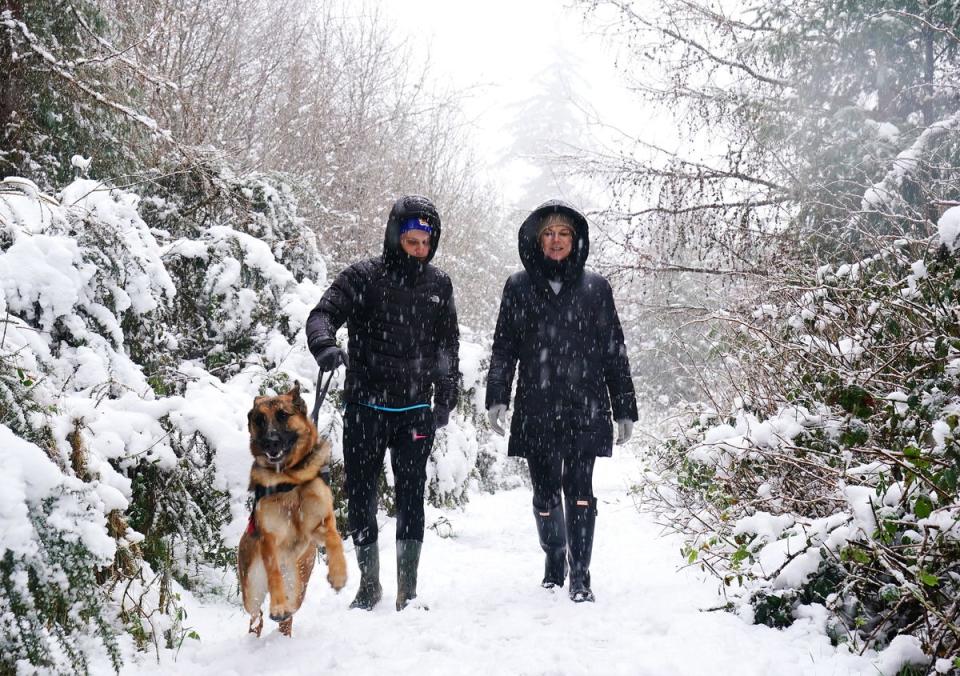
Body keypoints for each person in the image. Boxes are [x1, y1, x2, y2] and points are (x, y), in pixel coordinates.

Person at [305, 195, 459, 611]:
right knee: (361, 495)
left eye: (425, 244)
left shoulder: (438, 285)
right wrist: (324, 346)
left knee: (412, 495)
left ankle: (407, 590)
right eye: (411, 241)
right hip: (365, 408)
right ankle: (369, 585)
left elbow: (447, 345)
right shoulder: (363, 277)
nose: (419, 250)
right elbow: (322, 315)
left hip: (414, 411)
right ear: (395, 237)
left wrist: (446, 392)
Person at [486, 199, 637, 603]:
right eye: (549, 233)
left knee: (580, 488)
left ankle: (580, 575)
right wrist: (497, 396)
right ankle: (554, 556)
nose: (556, 240)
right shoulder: (518, 286)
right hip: (536, 403)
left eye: (564, 233)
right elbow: (504, 348)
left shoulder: (595, 288)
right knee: (545, 493)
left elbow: (613, 351)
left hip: (585, 404)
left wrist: (624, 407)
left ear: (576, 240)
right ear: (537, 239)